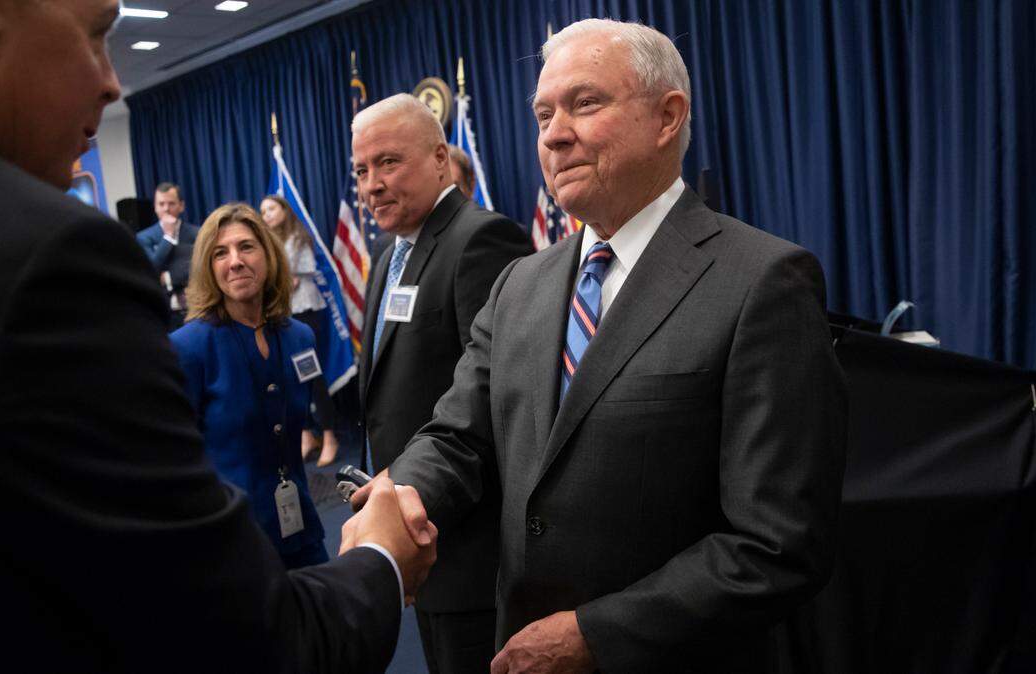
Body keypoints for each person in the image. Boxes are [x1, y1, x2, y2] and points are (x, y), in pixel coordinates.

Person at [0, 0, 434, 671]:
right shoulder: (49, 258)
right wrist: (382, 557)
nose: (111, 83)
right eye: (97, 35)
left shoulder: (289, 335)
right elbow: (241, 640)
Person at [356, 19, 848, 673]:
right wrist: (399, 500)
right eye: (542, 114)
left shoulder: (763, 282)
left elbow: (780, 543)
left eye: (585, 104)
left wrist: (598, 635)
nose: (554, 134)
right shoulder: (518, 284)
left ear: (667, 117)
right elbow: (457, 438)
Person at [352, 93, 533, 673]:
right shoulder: (389, 255)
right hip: (414, 532)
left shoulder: (481, 239)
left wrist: (409, 485)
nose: (372, 184)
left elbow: (495, 399)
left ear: (438, 159)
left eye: (388, 162)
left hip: (467, 543)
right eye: (361, 170)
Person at [170, 203, 332, 568]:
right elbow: (175, 460)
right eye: (220, 253)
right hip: (231, 545)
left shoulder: (300, 337)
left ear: (268, 254)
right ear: (208, 268)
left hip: (302, 531)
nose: (235, 261)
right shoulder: (189, 347)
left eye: (246, 246)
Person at [260, 194, 341, 466]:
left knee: (312, 375)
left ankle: (329, 435)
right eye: (263, 211)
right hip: (279, 315)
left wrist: (280, 277)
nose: (266, 215)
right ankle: (307, 434)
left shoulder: (297, 237)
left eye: (271, 209)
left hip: (305, 314)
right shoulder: (265, 243)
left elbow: (300, 273)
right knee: (289, 378)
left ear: (284, 210)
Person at [136, 182, 199, 328]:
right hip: (162, 314)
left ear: (181, 206)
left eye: (171, 203)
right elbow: (150, 271)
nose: (166, 208)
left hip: (195, 310)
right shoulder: (144, 237)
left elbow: (198, 268)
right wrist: (168, 237)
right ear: (155, 207)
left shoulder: (197, 233)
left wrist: (168, 277)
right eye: (161, 204)